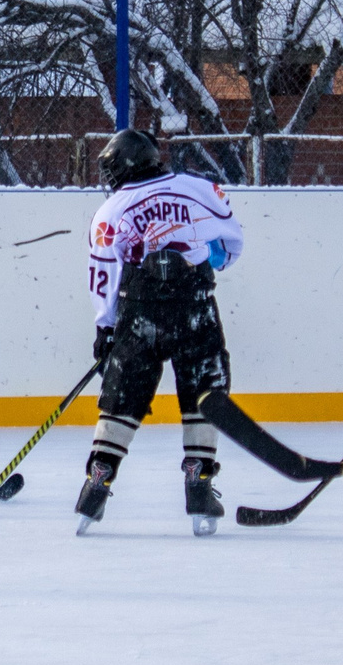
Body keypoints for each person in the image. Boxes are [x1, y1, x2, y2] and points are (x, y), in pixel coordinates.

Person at [79, 129, 246, 536]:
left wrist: (105, 328)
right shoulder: (199, 187)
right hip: (195, 304)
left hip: (141, 309)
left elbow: (104, 276)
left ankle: (98, 479)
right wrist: (206, 255)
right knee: (204, 392)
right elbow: (232, 242)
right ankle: (199, 482)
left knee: (124, 395)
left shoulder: (110, 211)